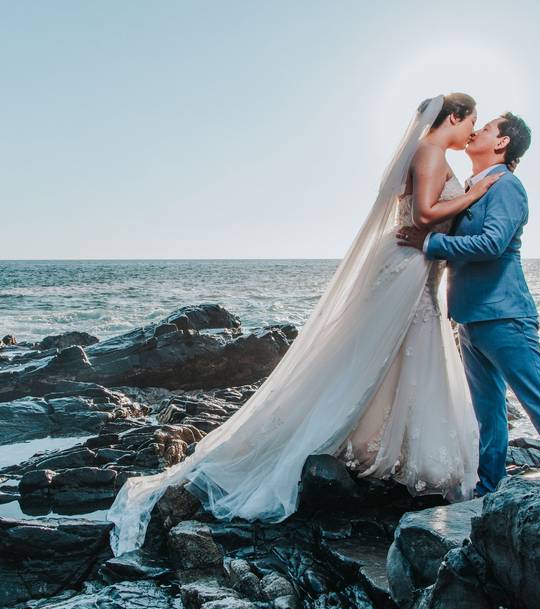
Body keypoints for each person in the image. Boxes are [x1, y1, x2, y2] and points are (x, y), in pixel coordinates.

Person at [107, 93, 497, 555]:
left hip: (415, 265)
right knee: (392, 356)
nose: (471, 130)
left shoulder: (425, 152)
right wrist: (472, 195)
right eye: (469, 120)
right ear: (453, 116)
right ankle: (393, 454)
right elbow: (428, 214)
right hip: (409, 267)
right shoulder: (431, 151)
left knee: (396, 359)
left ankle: (392, 452)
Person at [397, 112, 540, 496]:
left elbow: (491, 244)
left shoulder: (507, 187)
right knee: (488, 412)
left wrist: (431, 244)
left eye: (485, 129)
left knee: (539, 404)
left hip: (506, 316)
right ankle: (488, 488)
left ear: (502, 143)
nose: (476, 131)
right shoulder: (473, 186)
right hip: (469, 316)